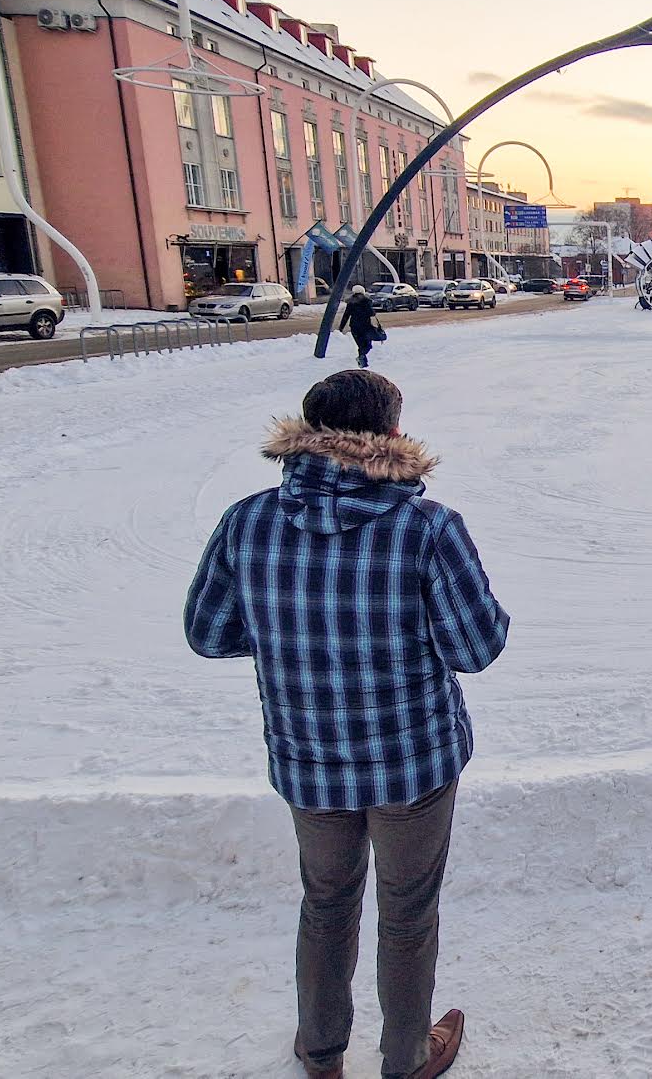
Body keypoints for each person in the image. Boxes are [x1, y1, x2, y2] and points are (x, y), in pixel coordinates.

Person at [185, 370, 509, 1079]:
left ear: (306, 433)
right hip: (413, 763)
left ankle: (322, 1052)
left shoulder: (248, 520)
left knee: (326, 904)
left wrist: (288, 637)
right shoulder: (426, 527)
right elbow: (475, 649)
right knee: (406, 914)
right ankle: (405, 1059)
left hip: (307, 759)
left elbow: (208, 633)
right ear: (391, 436)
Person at [340, 284, 380, 368]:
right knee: (368, 345)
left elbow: (346, 315)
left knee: (361, 344)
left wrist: (341, 327)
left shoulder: (351, 302)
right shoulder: (366, 301)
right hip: (365, 326)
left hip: (354, 327)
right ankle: (362, 359)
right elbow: (371, 313)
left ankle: (363, 362)